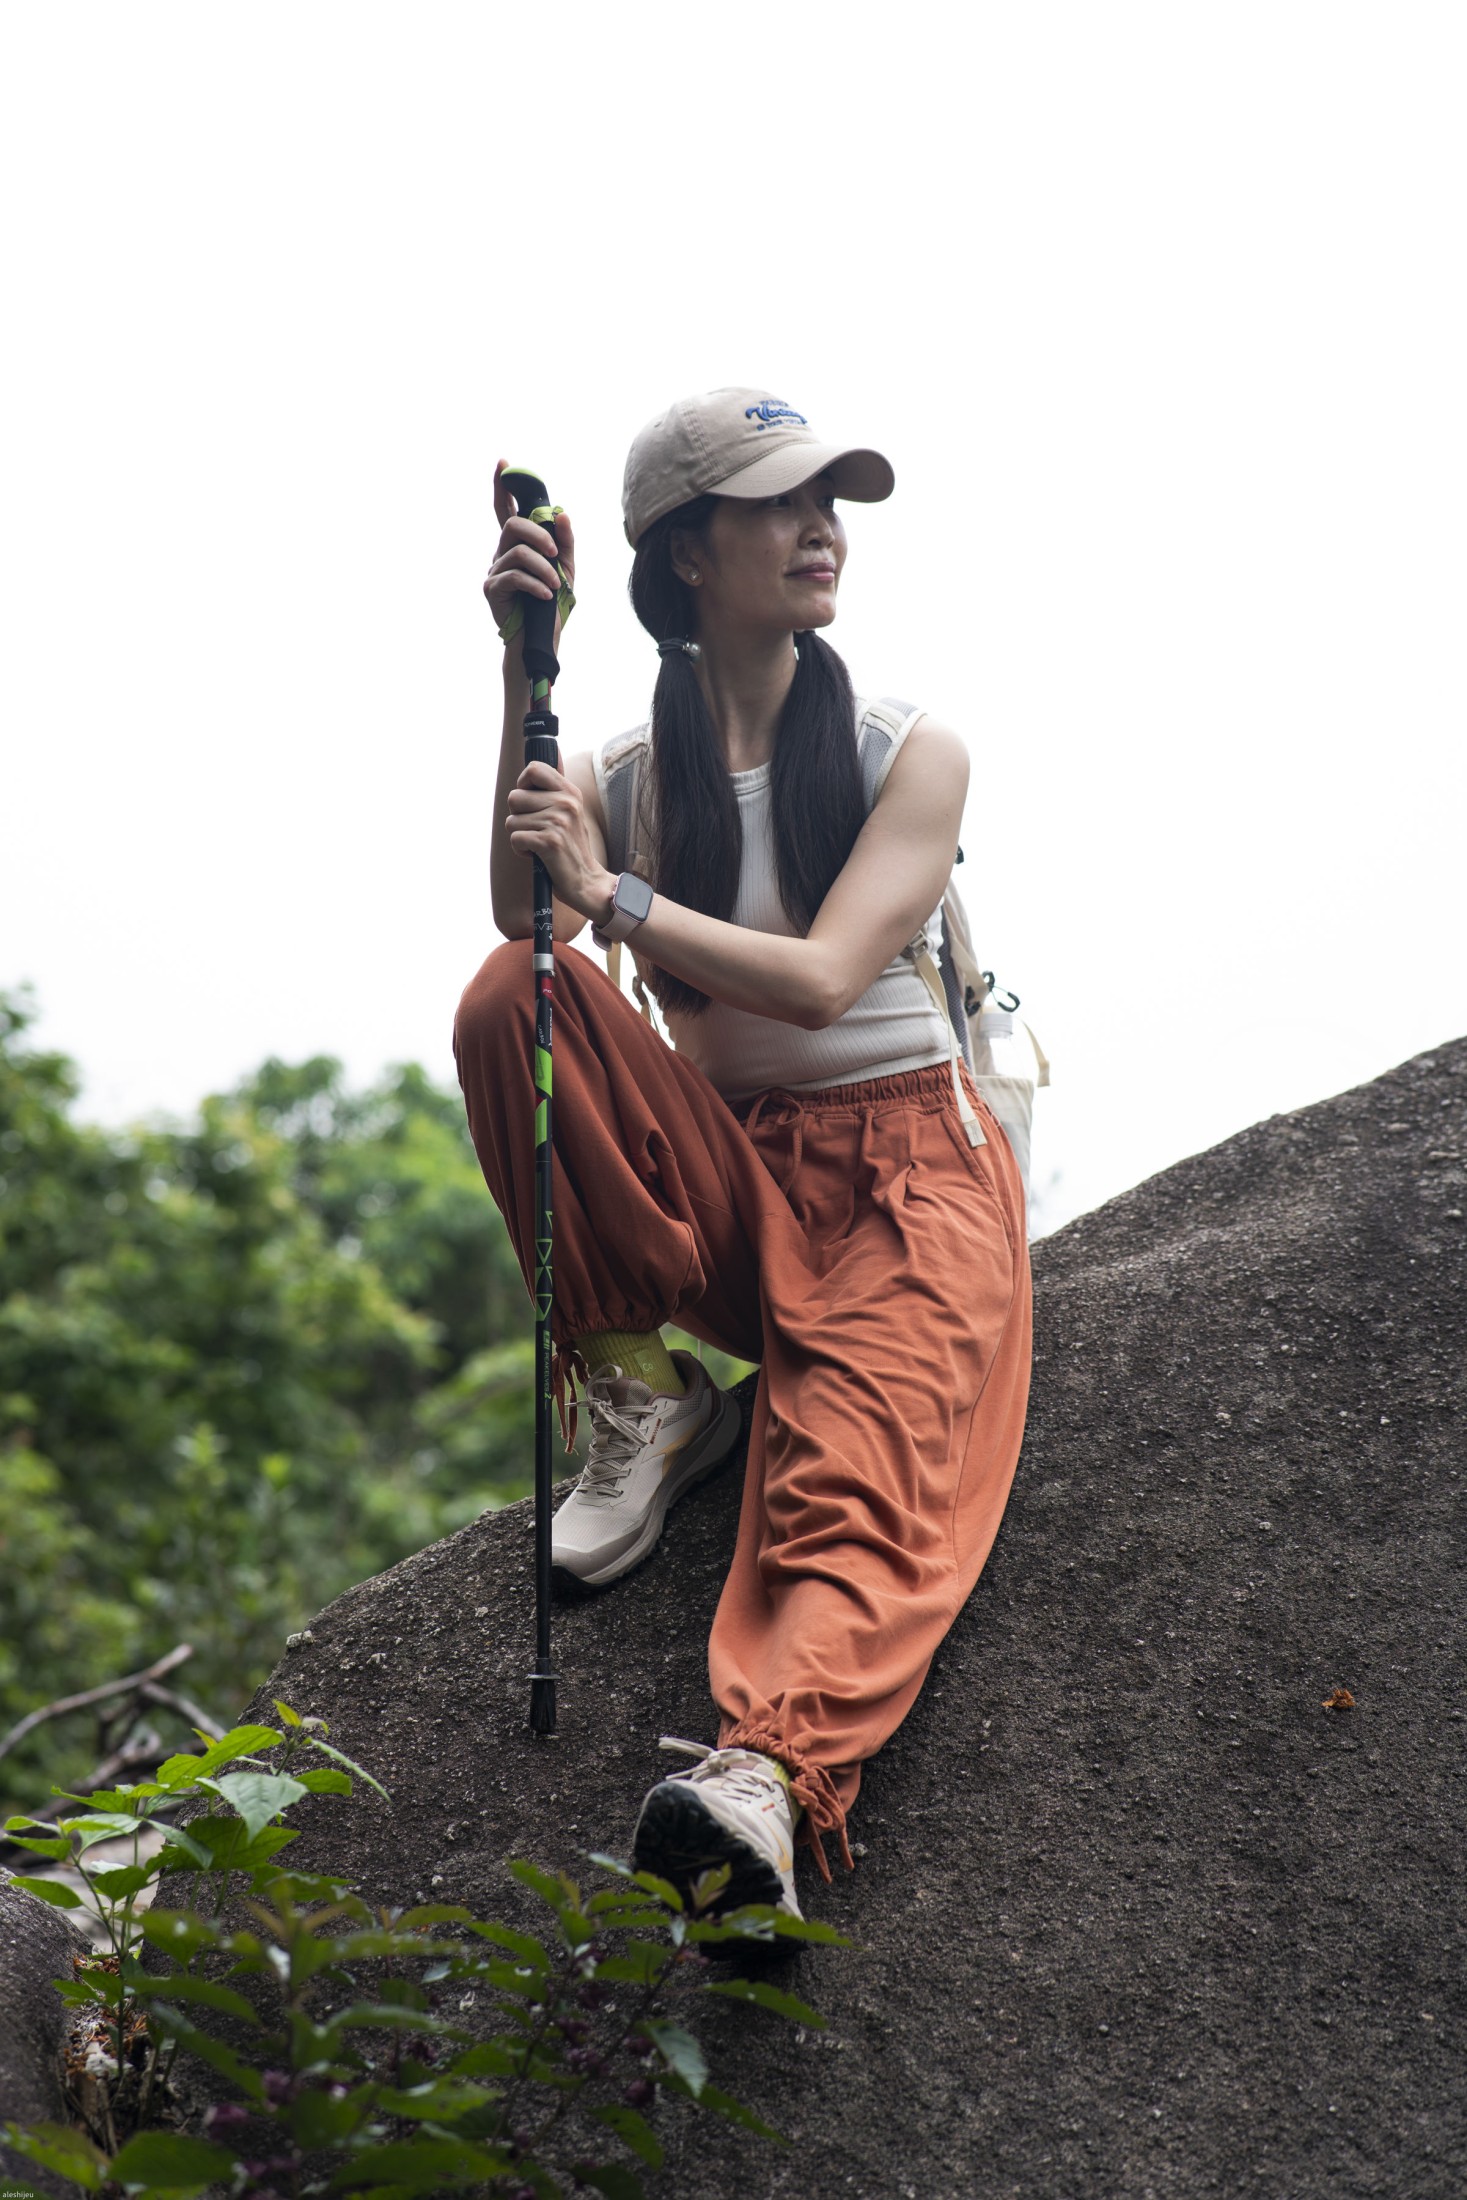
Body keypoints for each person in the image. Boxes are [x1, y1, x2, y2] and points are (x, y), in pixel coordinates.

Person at [453, 388, 1032, 1919]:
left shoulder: (912, 749)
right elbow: (524, 911)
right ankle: (647, 1387)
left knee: (850, 1473)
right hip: (737, 1171)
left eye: (830, 500)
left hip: (907, 1180)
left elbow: (831, 978)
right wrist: (527, 672)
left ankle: (763, 1778)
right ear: (687, 551)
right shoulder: (636, 772)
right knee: (516, 996)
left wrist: (622, 901)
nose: (823, 528)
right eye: (784, 502)